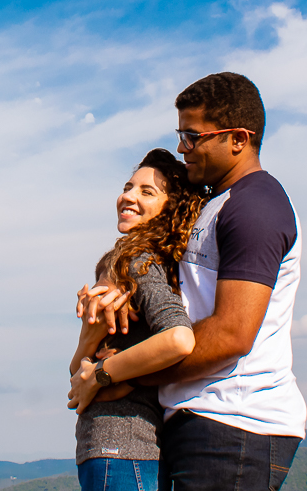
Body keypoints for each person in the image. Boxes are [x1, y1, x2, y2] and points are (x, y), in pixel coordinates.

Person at [81, 72, 306, 491]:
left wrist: (119, 374)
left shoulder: (255, 206)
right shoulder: (215, 204)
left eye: (193, 135)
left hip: (235, 423)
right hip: (200, 418)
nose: (182, 147)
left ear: (238, 138)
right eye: (181, 134)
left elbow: (231, 333)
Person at [66, 149, 208, 491]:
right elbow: (77, 381)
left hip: (122, 446)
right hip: (115, 448)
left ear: (169, 209)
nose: (128, 196)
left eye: (147, 191)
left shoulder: (138, 261)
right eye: (129, 186)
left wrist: (101, 373)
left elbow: (178, 338)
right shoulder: (129, 261)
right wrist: (90, 336)